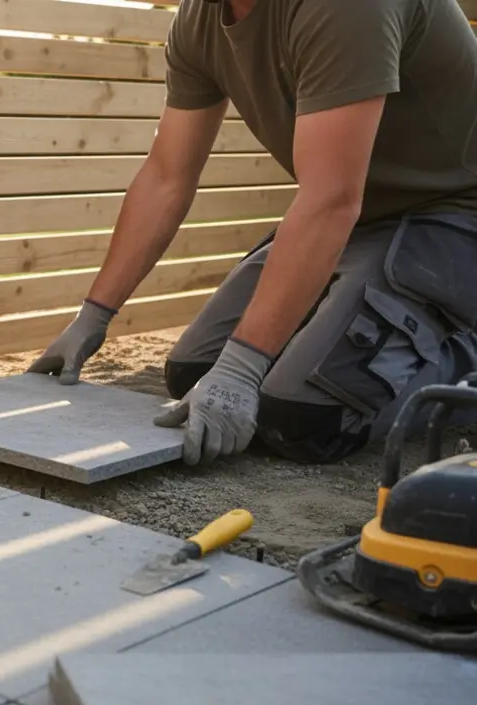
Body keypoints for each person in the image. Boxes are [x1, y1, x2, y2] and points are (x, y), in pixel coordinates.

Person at [28, 0, 477, 468]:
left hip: (454, 217)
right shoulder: (200, 20)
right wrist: (94, 316)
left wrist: (244, 366)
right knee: (194, 374)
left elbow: (330, 198)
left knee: (304, 418)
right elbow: (167, 177)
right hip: (359, 217)